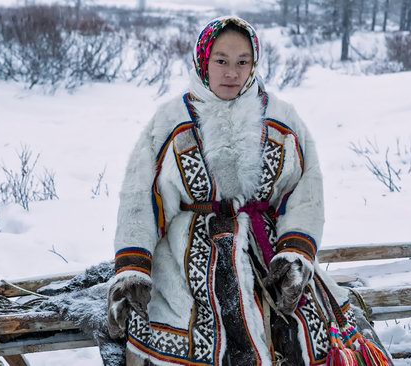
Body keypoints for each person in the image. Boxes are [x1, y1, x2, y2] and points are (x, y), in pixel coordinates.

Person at [107, 16, 392, 366]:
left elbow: (304, 192)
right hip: (187, 254)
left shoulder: (283, 118)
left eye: (242, 62)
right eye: (221, 61)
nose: (231, 72)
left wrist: (295, 253)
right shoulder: (169, 120)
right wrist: (133, 266)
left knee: (308, 323)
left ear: (253, 63)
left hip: (267, 248)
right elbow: (141, 198)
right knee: (181, 327)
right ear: (203, 61)